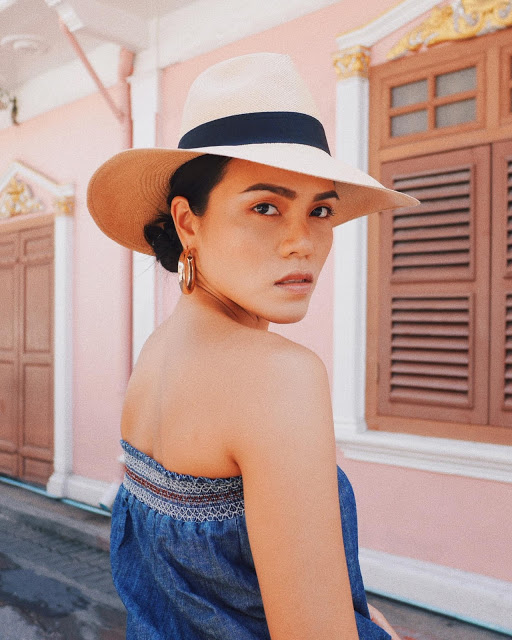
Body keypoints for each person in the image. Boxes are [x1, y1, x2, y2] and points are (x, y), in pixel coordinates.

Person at [87, 52, 419, 640]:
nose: (302, 242)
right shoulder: (279, 375)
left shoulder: (157, 355)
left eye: (320, 210)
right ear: (187, 222)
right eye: (265, 207)